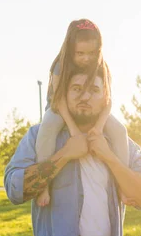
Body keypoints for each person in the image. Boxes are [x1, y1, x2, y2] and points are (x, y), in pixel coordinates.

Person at [4, 68, 141, 236]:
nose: (85, 96)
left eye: (94, 90)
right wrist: (65, 153)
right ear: (64, 96)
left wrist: (109, 157)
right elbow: (14, 189)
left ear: (105, 98)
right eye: (76, 89)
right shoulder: (40, 137)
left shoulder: (120, 144)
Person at [35, 18, 129, 208]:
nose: (86, 58)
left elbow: (108, 100)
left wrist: (99, 126)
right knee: (47, 128)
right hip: (59, 108)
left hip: (94, 111)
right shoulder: (60, 66)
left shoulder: (102, 68)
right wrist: (73, 129)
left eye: (92, 53)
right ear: (70, 49)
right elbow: (59, 99)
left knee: (119, 131)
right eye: (80, 53)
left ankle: (123, 184)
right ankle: (43, 185)